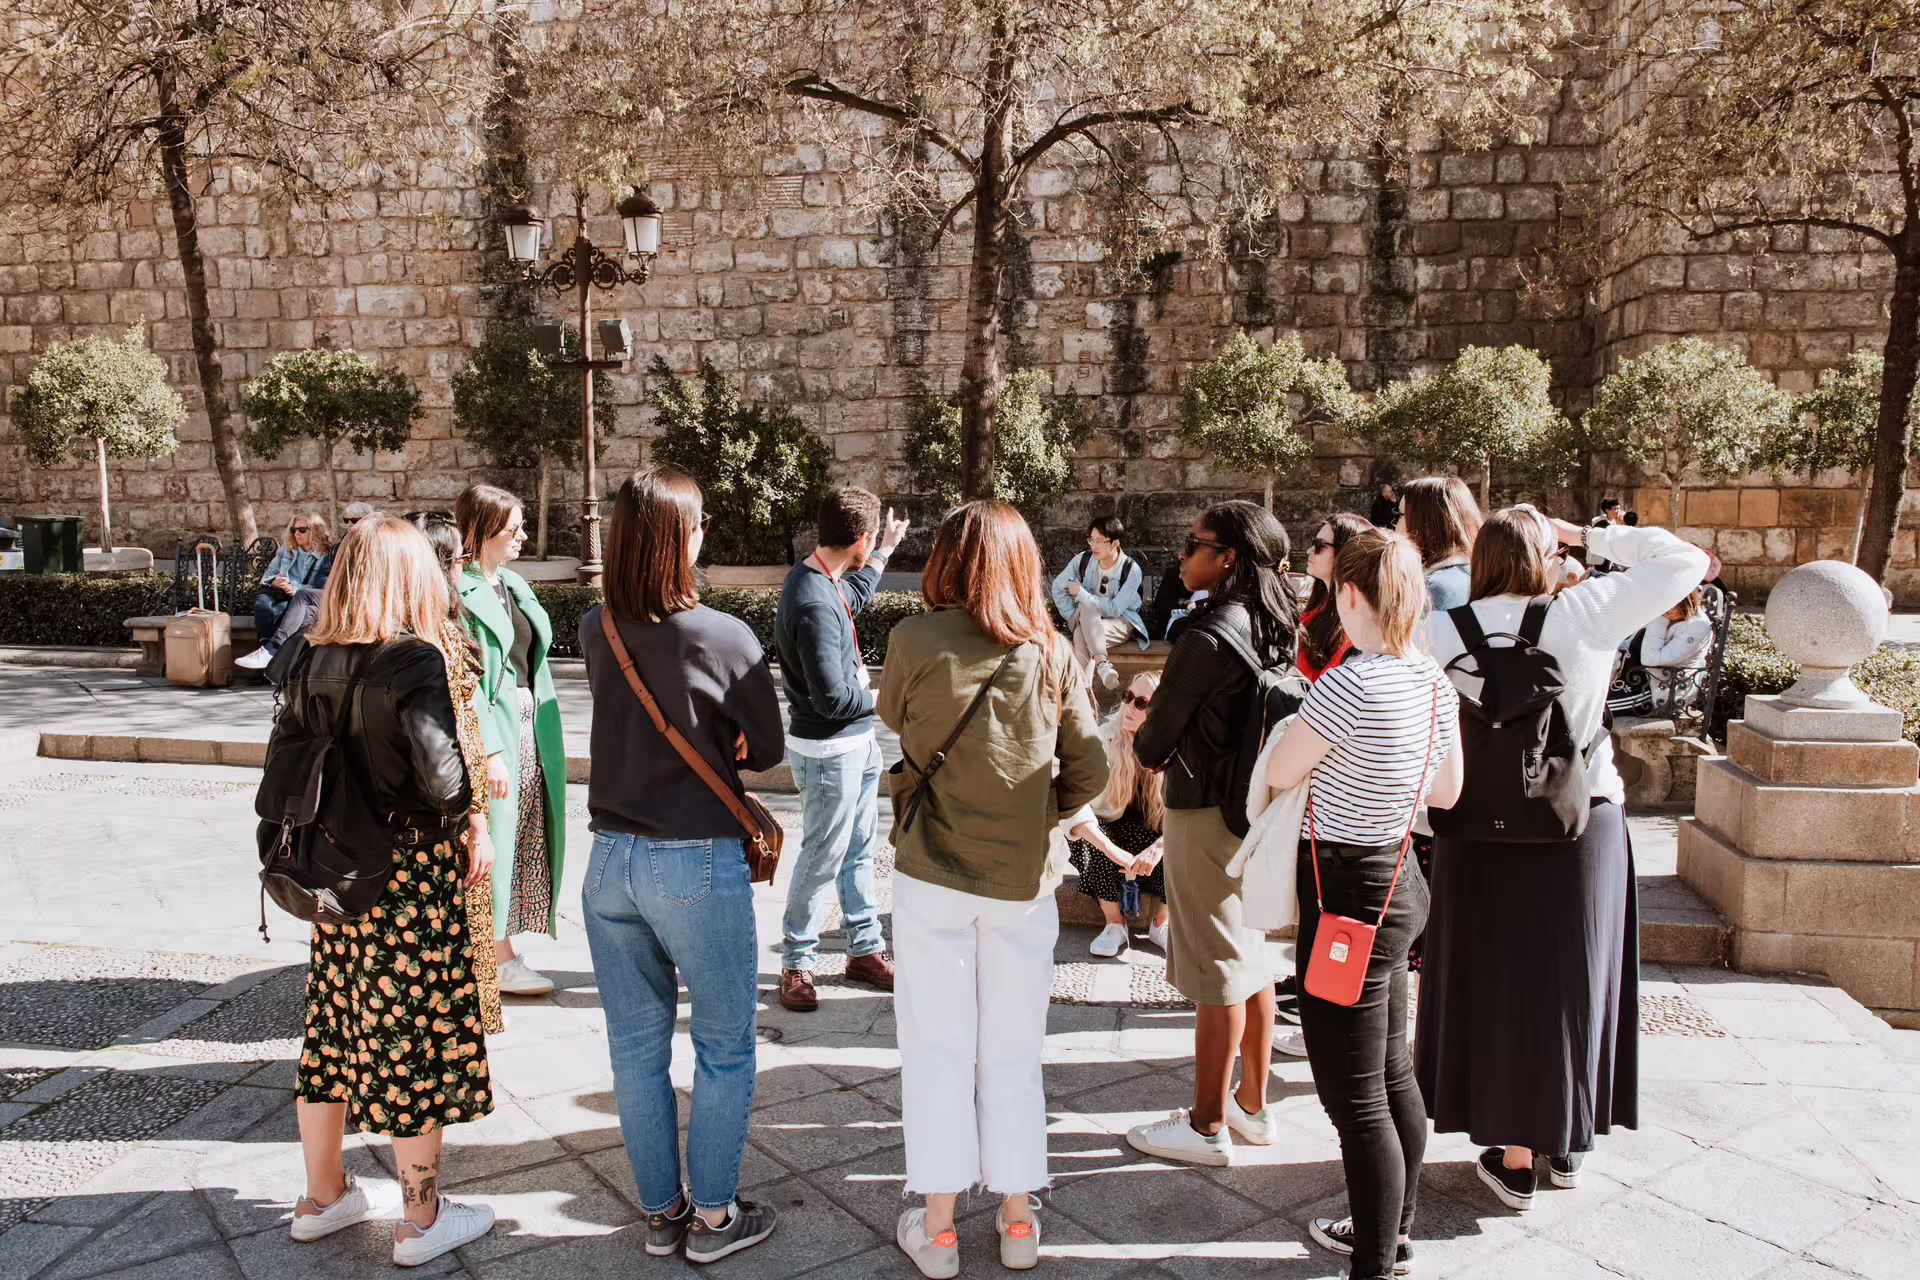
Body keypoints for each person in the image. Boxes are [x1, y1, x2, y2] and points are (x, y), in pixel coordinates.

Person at [1419, 508, 1706, 1212]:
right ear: (1545, 557)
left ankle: (1512, 1155)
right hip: (1576, 822)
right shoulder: (1585, 613)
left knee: (1490, 982)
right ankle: (1563, 1137)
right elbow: (1685, 562)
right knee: (1573, 978)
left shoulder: (1436, 630)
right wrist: (1588, 534)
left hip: (1471, 826)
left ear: (1480, 558)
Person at [880, 501, 1106, 1277]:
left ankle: (938, 1230)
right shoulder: (1051, 651)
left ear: (945, 559)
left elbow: (895, 719)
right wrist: (1041, 811)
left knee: (936, 1051)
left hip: (932, 873)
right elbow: (1093, 770)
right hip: (1022, 881)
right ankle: (1018, 1222)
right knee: (1012, 1054)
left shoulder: (913, 638)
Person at [579, 466, 787, 1262]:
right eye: (697, 525)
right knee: (725, 1044)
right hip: (692, 856)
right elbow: (763, 747)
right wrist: (727, 734)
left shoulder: (598, 628)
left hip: (611, 860)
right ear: (679, 538)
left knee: (635, 1047)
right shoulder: (725, 636)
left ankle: (662, 1212)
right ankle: (715, 1218)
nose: (704, 536)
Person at [277, 515, 497, 1266]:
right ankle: (422, 1218)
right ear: (413, 577)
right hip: (409, 876)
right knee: (415, 1041)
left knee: (333, 1027)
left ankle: (321, 1196)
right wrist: (470, 817)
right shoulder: (413, 661)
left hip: (337, 873)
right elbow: (444, 782)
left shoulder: (311, 654)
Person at [1261, 530, 1464, 1279]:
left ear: (1349, 595)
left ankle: (1375, 1262)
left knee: (1355, 1101)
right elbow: (1446, 794)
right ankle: (1396, 1229)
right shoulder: (1431, 679)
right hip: (1402, 881)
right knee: (1392, 1072)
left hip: (1345, 896)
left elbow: (1283, 771)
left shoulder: (1350, 682)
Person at [1127, 500, 1298, 1168]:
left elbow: (1152, 741)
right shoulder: (1275, 621)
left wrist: (1152, 749)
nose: (1181, 556)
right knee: (1249, 956)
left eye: (1193, 544)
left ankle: (1205, 1126)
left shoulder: (1207, 636)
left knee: (1217, 972)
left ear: (1227, 557)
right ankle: (1252, 1108)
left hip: (1203, 812)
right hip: (1255, 808)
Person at [774, 487, 910, 1013]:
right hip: (830, 751)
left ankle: (864, 949)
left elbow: (850, 599)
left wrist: (883, 555)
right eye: (871, 541)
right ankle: (797, 960)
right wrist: (883, 695)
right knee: (824, 855)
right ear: (859, 535)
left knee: (857, 849)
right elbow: (832, 699)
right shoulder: (811, 600)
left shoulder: (822, 580)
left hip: (855, 746)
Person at [455, 485, 566, 998]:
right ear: (480, 531)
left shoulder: (512, 583)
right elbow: (466, 676)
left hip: (528, 723)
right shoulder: (460, 589)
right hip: (496, 729)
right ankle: (492, 958)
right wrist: (490, 749)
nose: (522, 535)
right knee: (495, 841)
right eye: (512, 527)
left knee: (523, 840)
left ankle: (500, 949)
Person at [409, 511, 505, 1035]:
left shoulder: (423, 627)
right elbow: (445, 742)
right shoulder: (431, 636)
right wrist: (475, 823)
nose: (463, 569)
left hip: (452, 802)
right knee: (455, 925)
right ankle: (453, 1028)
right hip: (447, 812)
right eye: (458, 559)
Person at [1062, 672, 1170, 957]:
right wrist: (1110, 849)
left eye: (1141, 702)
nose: (1130, 707)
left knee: (1190, 833)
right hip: (1112, 841)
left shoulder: (1176, 749)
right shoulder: (1103, 738)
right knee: (1085, 833)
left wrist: (1159, 848)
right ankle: (1114, 924)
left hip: (1155, 845)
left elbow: (1190, 811)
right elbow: (1074, 804)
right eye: (1127, 697)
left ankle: (1163, 923)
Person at [247, 504, 382, 675]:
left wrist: (296, 587)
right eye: (346, 520)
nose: (349, 524)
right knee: (275, 605)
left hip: (352, 597)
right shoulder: (343, 543)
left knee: (303, 599)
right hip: (330, 595)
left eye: (354, 520)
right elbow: (324, 577)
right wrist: (276, 581)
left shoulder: (370, 543)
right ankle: (280, 664)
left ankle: (273, 652)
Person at [1049, 514, 1150, 691]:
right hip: (1089, 621)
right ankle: (1102, 666)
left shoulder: (1131, 570)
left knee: (1082, 630)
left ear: (1115, 543)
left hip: (1121, 622)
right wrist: (1073, 616)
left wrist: (1081, 594)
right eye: (1091, 540)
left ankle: (1080, 694)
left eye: (1100, 541)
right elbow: (1058, 586)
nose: (1094, 546)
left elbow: (1114, 609)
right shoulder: (1083, 560)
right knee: (1084, 620)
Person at [237, 514, 333, 670]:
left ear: (316, 531)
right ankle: (266, 648)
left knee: (281, 611)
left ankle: (269, 654)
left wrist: (294, 587)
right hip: (281, 593)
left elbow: (321, 588)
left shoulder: (324, 555)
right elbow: (268, 574)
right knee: (262, 602)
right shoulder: (286, 551)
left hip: (301, 597)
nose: (297, 534)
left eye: (302, 529)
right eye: (293, 530)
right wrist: (274, 580)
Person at [1298, 513, 1373, 682]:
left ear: (1345, 553)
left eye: (1319, 545)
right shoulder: (1319, 610)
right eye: (1313, 543)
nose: (1309, 550)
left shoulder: (1352, 628)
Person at [1397, 477, 1481, 613]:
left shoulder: (1433, 591)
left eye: (1401, 515)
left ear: (1425, 524)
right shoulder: (1478, 574)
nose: (1395, 523)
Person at [1641, 588, 1713, 711]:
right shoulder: (1673, 616)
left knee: (1603, 704)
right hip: (1641, 680)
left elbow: (1650, 658)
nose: (1667, 608)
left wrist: (1659, 617)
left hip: (1661, 692)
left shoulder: (1697, 626)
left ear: (1687, 599)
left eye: (1673, 603)